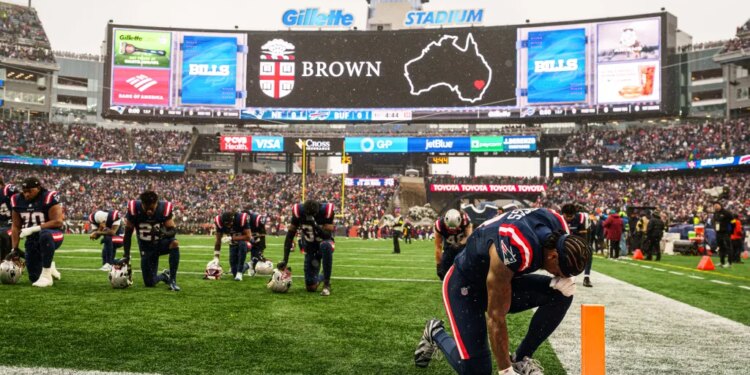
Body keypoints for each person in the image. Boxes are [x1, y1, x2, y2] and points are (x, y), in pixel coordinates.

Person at [414, 208, 591, 374]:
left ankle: (520, 358)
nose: (558, 275)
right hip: (466, 285)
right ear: (553, 256)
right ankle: (435, 332)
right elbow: (496, 316)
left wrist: (564, 278)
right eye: (559, 272)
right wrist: (505, 370)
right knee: (478, 370)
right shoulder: (515, 247)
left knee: (563, 291)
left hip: (501, 277)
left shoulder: (559, 226)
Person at [8, 177, 63, 287]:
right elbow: (15, 226)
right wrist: (14, 249)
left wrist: (33, 228)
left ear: (38, 188)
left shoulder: (48, 197)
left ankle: (47, 275)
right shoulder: (17, 199)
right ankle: (49, 264)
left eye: (30, 191)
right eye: (24, 191)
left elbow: (58, 222)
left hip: (53, 235)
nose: (26, 194)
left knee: (45, 234)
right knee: (34, 277)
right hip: (32, 240)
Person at [123, 191, 181, 291]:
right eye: (146, 208)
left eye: (152, 208)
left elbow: (173, 230)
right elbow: (128, 234)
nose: (149, 212)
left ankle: (172, 280)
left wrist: (164, 233)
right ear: (142, 204)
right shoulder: (134, 209)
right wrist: (126, 255)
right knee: (150, 283)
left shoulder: (163, 208)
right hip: (146, 249)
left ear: (156, 203)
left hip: (160, 244)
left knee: (174, 243)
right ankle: (164, 276)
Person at [283, 199, 335, 296]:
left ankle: (326, 284)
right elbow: (290, 235)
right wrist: (285, 260)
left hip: (325, 243)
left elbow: (327, 236)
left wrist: (315, 225)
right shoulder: (298, 212)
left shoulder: (326, 211)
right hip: (310, 247)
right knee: (311, 287)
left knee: (325, 245)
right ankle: (322, 275)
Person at [212, 211, 252, 281]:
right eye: (226, 224)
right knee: (234, 272)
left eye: (230, 223)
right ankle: (248, 265)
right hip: (233, 244)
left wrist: (231, 238)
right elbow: (218, 241)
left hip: (246, 243)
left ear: (233, 219)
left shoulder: (240, 219)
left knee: (242, 244)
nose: (229, 225)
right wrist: (216, 257)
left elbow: (248, 237)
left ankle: (240, 273)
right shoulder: (219, 222)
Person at [434, 208, 473, 280]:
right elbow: (438, 247)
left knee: (465, 265)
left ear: (460, 221)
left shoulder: (465, 220)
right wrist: (438, 265)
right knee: (444, 268)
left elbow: (468, 237)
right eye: (449, 228)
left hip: (462, 243)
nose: (453, 231)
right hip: (448, 244)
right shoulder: (439, 225)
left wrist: (460, 244)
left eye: (455, 228)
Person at [562, 203, 592, 287]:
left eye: (570, 216)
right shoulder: (559, 218)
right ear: (563, 214)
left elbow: (584, 234)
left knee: (588, 250)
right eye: (566, 216)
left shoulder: (582, 218)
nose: (568, 218)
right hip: (565, 241)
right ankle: (564, 276)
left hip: (579, 239)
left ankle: (586, 277)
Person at [243, 209, 268, 276]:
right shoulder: (241, 220)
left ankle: (252, 266)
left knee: (258, 252)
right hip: (249, 236)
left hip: (258, 236)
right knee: (243, 249)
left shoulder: (258, 218)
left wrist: (257, 238)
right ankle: (244, 266)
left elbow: (263, 234)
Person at [0, 177, 18, 260]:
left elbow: (22, 200)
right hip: (2, 223)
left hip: (12, 222)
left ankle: (9, 260)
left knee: (5, 236)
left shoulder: (8, 189)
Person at [712, 201, 734, 268]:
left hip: (725, 233)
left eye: (717, 205)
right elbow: (713, 221)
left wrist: (731, 230)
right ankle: (722, 262)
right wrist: (714, 227)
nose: (715, 207)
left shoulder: (726, 212)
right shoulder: (715, 213)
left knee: (728, 248)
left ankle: (729, 263)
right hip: (718, 233)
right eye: (714, 206)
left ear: (720, 205)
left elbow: (733, 220)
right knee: (721, 248)